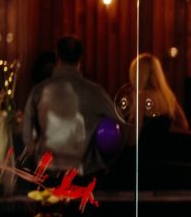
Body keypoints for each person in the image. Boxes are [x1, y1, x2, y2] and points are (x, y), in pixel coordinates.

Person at [21, 36, 121, 175]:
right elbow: (119, 124)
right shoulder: (96, 93)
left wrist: (36, 155)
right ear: (80, 58)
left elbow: (27, 136)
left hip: (46, 171)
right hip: (82, 174)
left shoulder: (39, 91)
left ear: (57, 56)